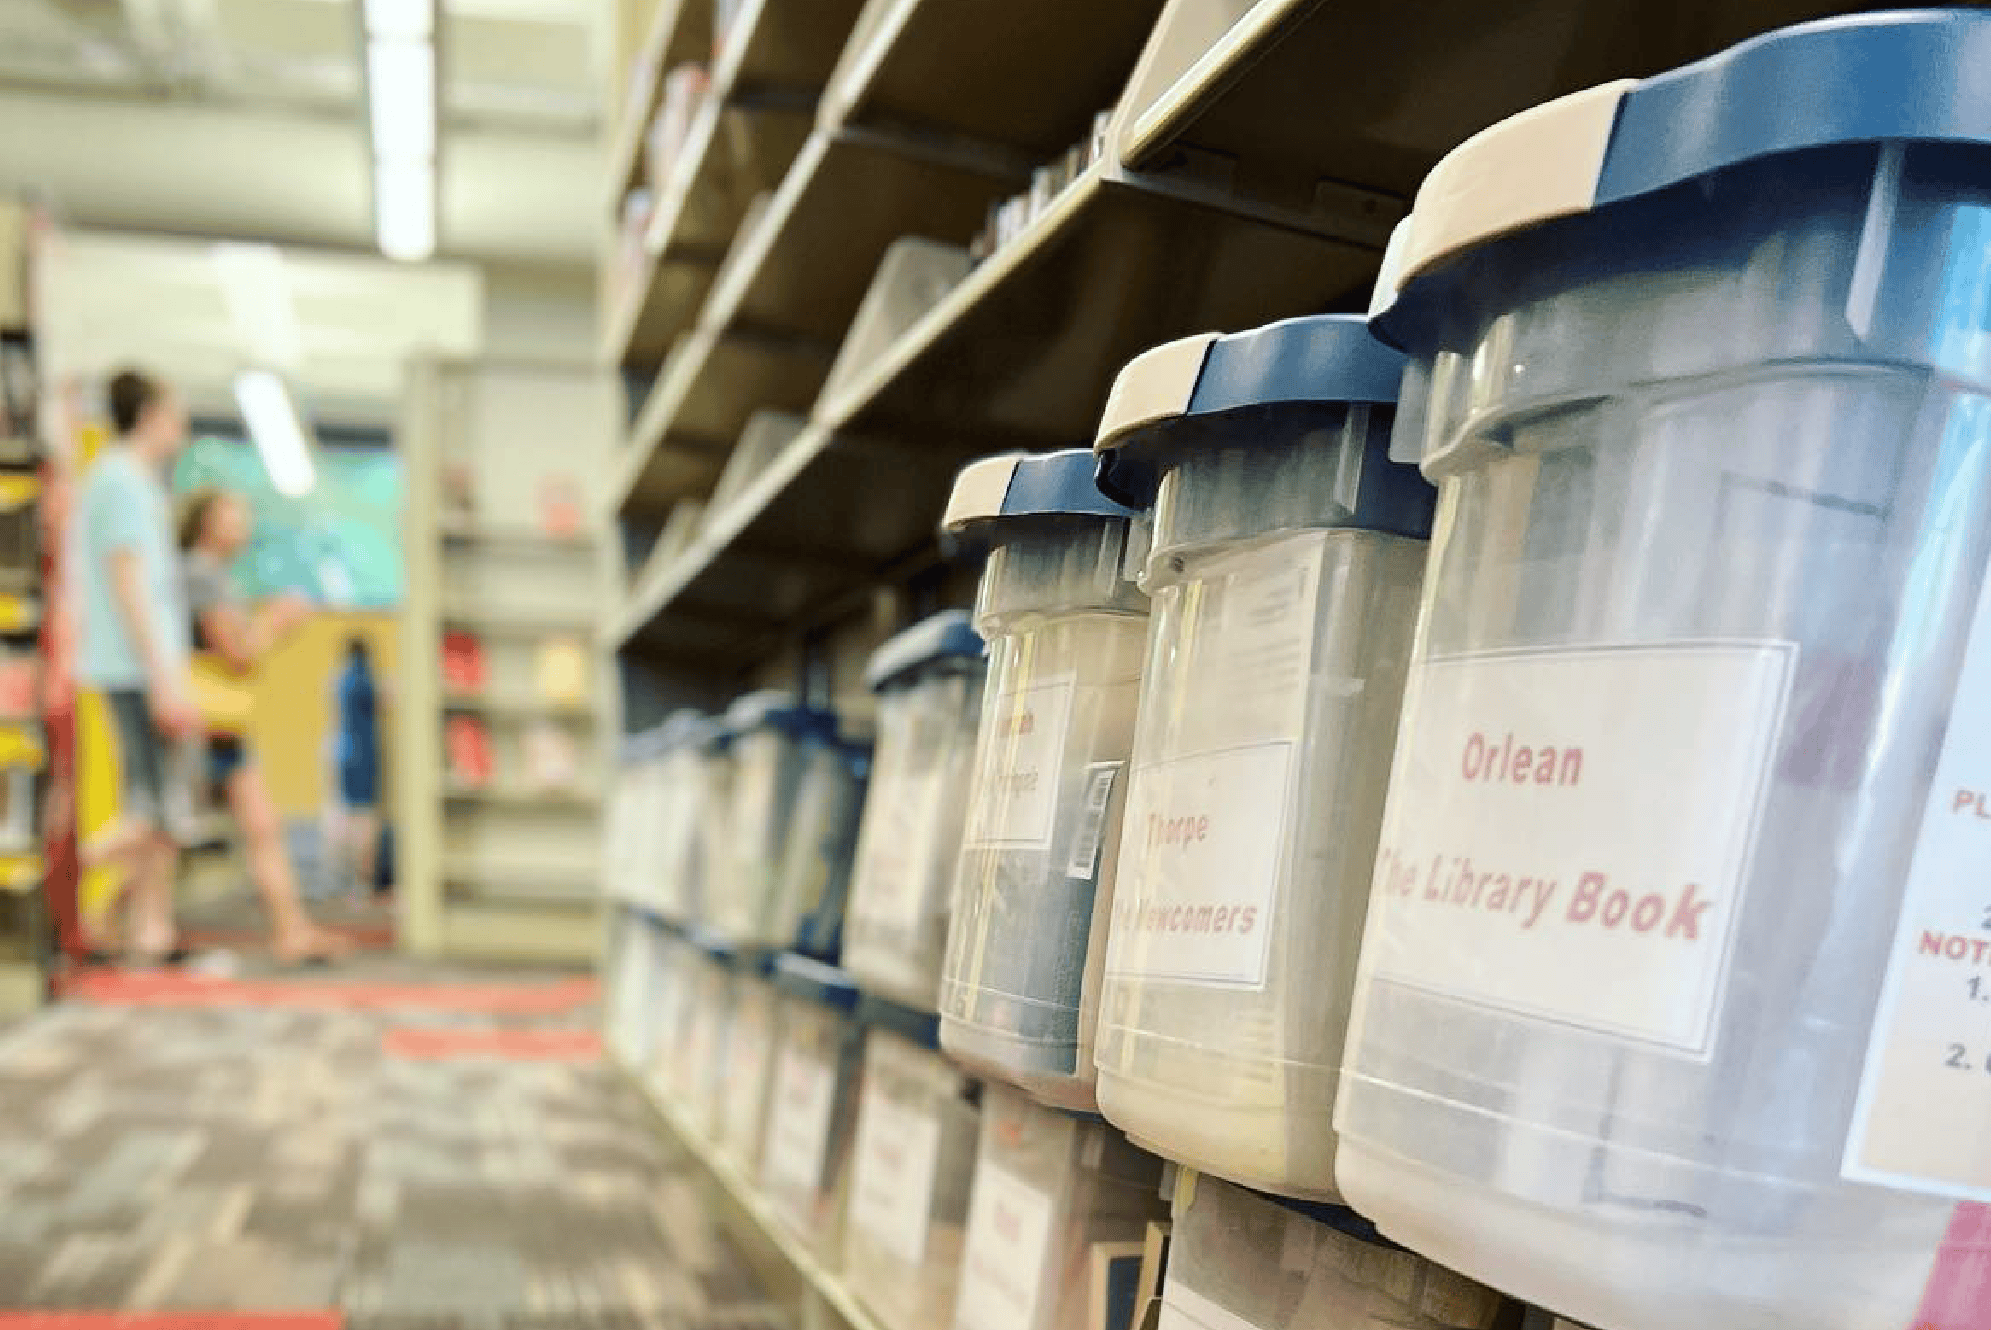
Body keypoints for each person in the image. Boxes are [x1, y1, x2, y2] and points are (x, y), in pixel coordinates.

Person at [178, 486, 351, 964]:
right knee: (159, 832)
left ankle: (291, 931)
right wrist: (276, 622)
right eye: (236, 510)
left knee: (261, 826)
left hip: (224, 725)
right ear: (209, 520)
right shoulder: (199, 574)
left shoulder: (216, 576)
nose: (246, 522)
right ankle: (97, 917)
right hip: (204, 722)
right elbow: (239, 655)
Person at [68, 368, 198, 961]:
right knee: (152, 810)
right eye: (175, 415)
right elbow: (128, 583)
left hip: (144, 665)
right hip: (135, 667)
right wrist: (164, 675)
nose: (183, 429)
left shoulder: (136, 481)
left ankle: (149, 929)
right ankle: (66, 872)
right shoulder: (119, 481)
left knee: (157, 806)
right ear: (147, 415)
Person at [333, 636, 384, 895]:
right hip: (363, 757)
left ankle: (347, 879)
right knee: (365, 818)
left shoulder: (339, 679)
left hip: (343, 755)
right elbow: (385, 700)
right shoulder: (363, 678)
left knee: (348, 815)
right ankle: (362, 880)